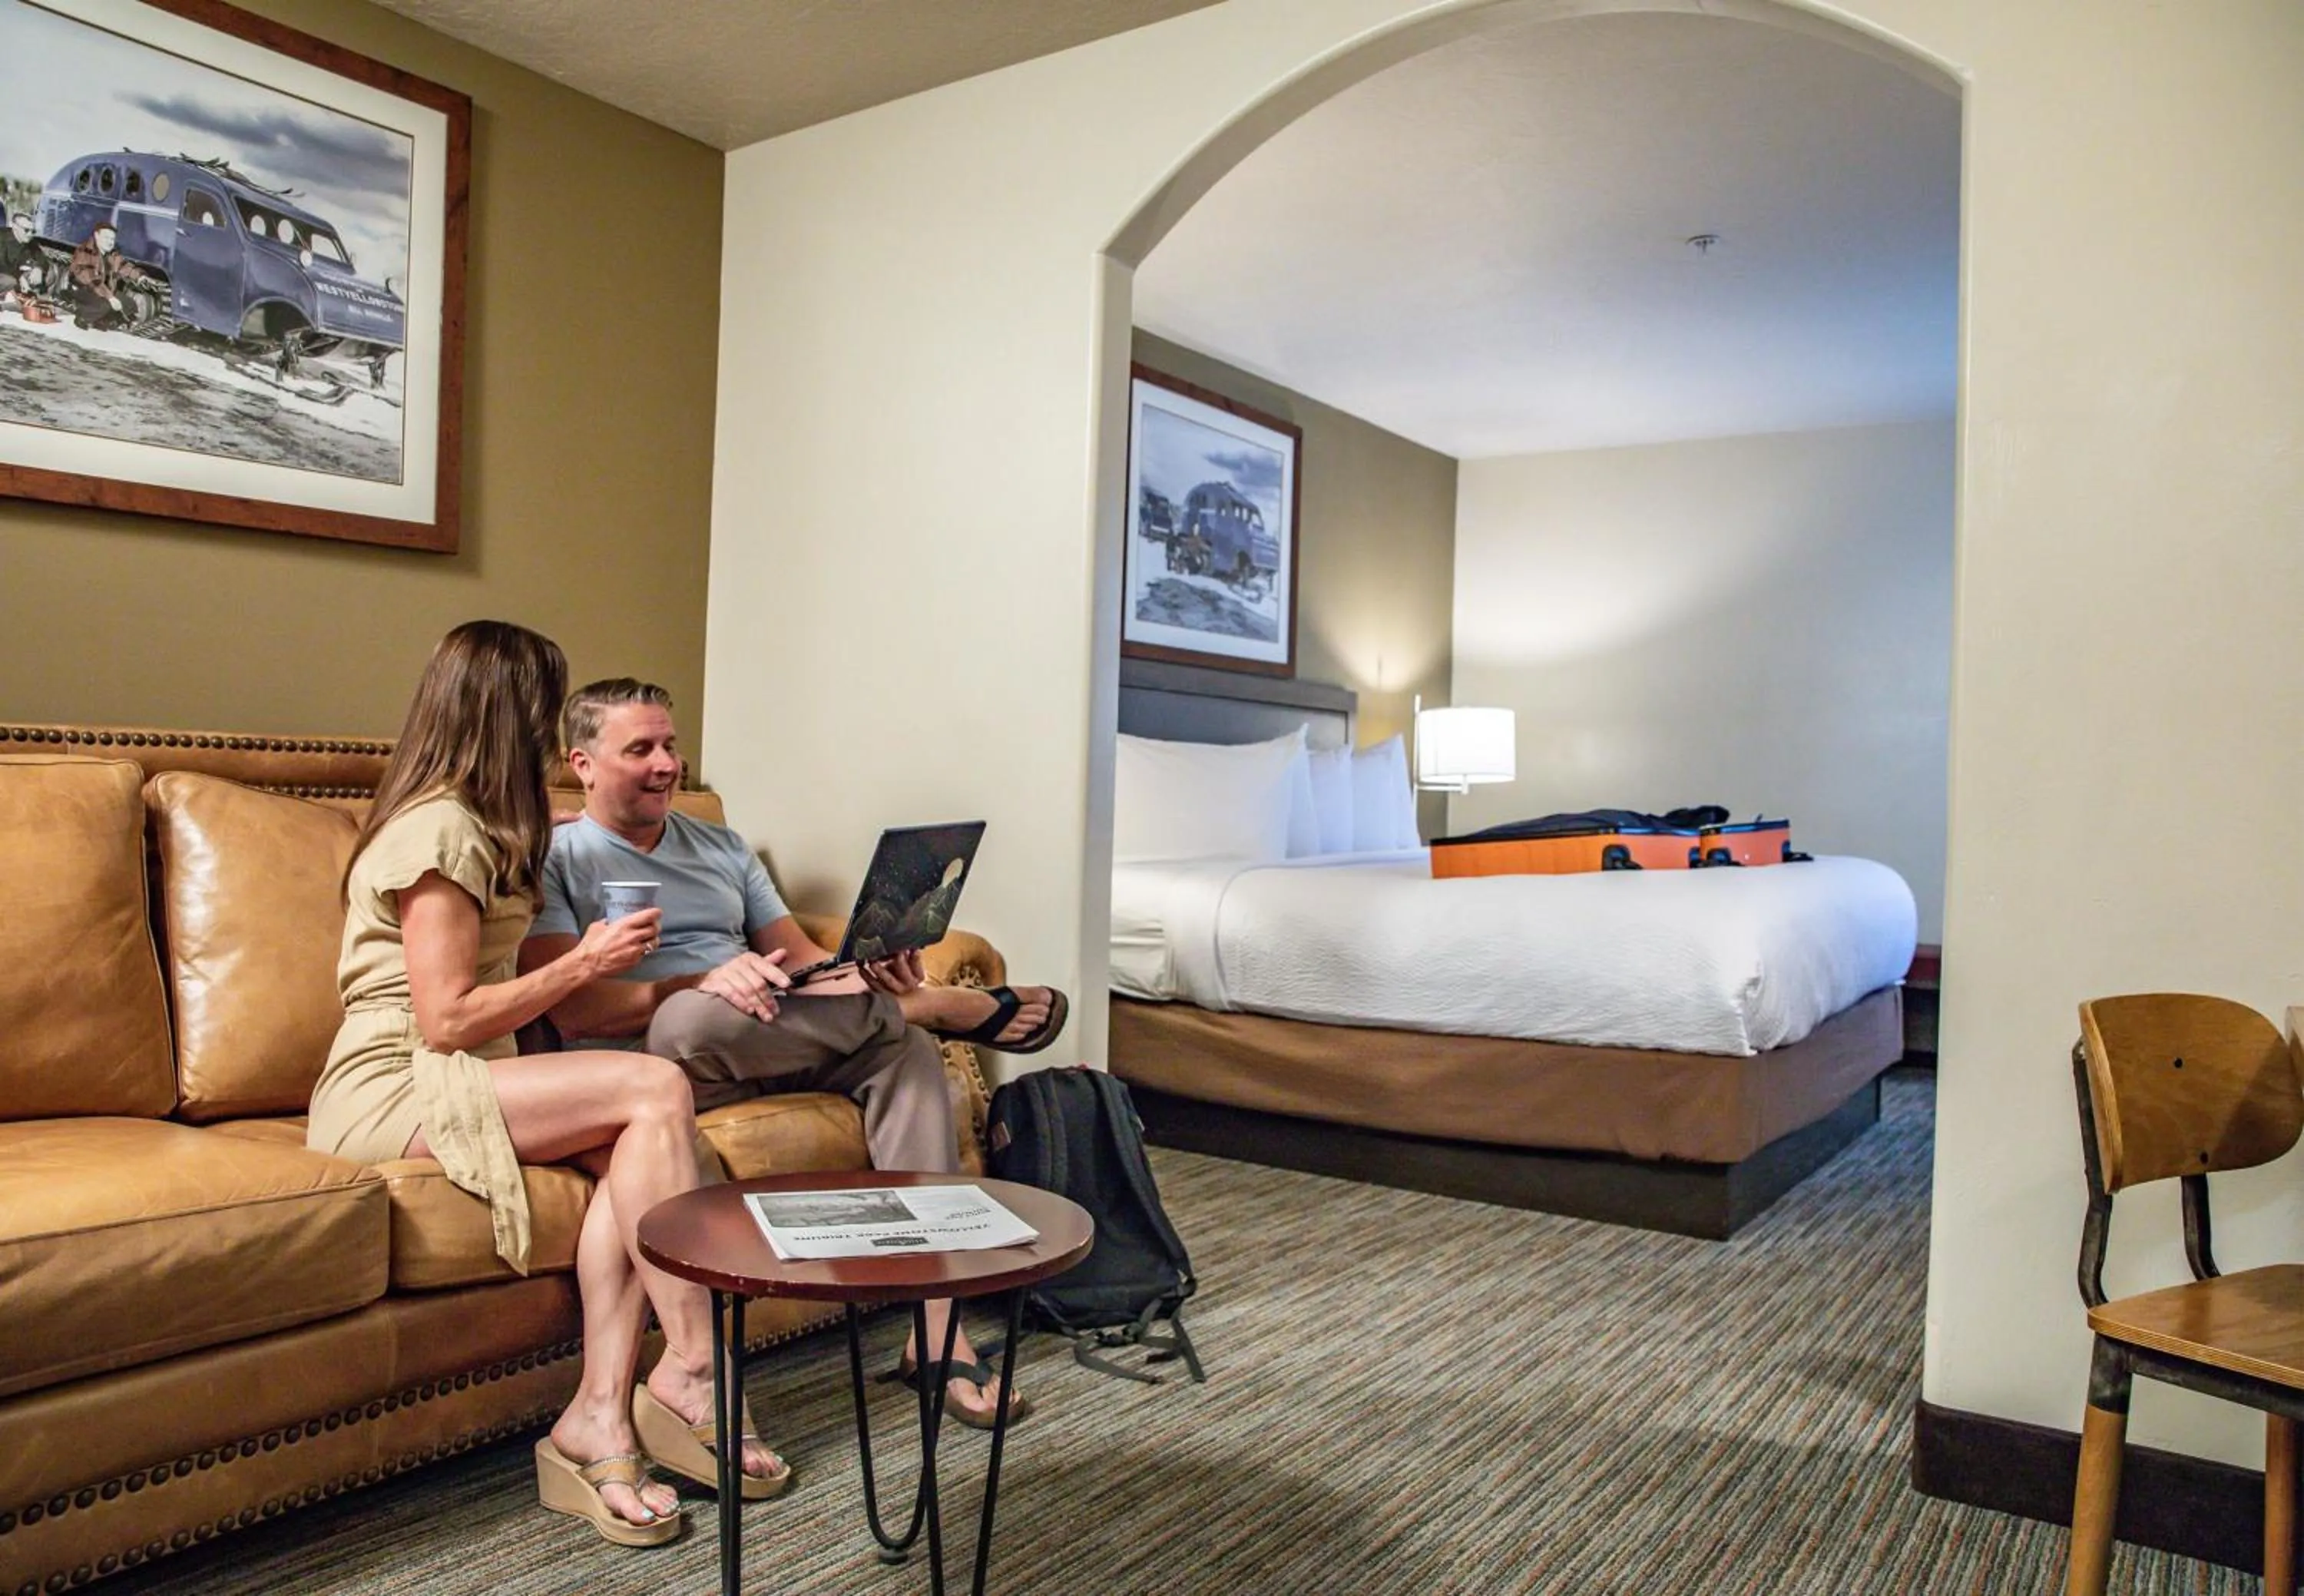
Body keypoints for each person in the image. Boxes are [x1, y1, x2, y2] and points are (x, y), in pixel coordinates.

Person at [306, 624, 788, 1550]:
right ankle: (694, 1365)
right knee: (654, 1088)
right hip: (396, 1079)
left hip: (468, 1070)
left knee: (646, 1149)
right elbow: (446, 1017)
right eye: (543, 703)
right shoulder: (439, 829)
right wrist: (587, 964)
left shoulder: (479, 820)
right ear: (509, 710)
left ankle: (597, 1415)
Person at [518, 678, 1069, 1428]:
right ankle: (940, 1008)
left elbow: (804, 959)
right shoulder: (555, 857)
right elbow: (576, 1009)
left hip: (772, 1027)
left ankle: (937, 1332)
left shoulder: (720, 844)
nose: (665, 764)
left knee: (904, 1053)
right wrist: (700, 975)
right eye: (639, 749)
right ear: (581, 763)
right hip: (660, 1057)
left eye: (672, 745)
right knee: (698, 1014)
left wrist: (873, 968)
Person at [67, 224, 157, 330]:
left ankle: (103, 320)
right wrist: (110, 298)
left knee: (130, 305)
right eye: (106, 238)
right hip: (84, 289)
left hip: (103, 289)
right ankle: (82, 317)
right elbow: (91, 280)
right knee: (105, 305)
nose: (110, 242)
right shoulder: (86, 251)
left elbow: (123, 267)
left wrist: (140, 276)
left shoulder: (112, 254)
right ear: (96, 236)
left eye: (112, 239)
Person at [0, 213, 47, 306]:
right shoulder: (2, 238)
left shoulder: (29, 241)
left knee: (44, 274)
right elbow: (3, 265)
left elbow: (43, 260)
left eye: (33, 231)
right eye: (26, 230)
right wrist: (20, 278)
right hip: (5, 274)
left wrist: (38, 269)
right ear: (14, 227)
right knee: (10, 281)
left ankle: (29, 297)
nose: (30, 234)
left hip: (12, 274)